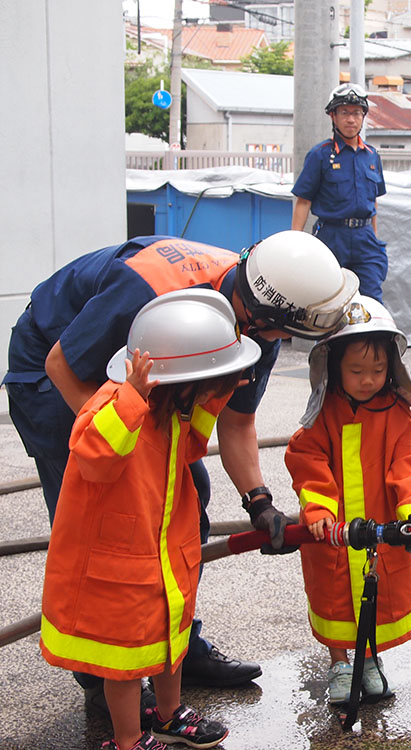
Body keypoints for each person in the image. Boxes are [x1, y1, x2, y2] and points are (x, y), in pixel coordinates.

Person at [4, 231, 358, 706]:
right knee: (104, 523)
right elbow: (63, 364)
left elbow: (238, 424)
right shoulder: (148, 291)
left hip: (140, 386)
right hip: (56, 369)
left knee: (188, 506)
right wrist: (126, 459)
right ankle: (102, 674)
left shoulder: (256, 318)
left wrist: (260, 502)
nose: (284, 341)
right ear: (259, 314)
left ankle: (176, 645)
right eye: (285, 331)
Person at [40, 289, 262, 750]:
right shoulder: (112, 405)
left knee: (170, 642)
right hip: (120, 565)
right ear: (175, 377)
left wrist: (221, 389)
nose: (206, 390)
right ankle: (128, 739)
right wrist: (132, 396)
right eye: (204, 382)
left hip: (164, 555)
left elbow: (193, 445)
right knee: (123, 663)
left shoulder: (174, 412)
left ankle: (168, 714)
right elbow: (96, 457)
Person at [284, 296, 411, 705]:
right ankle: (338, 662)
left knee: (377, 593)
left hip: (381, 528)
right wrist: (318, 508)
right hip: (331, 532)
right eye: (356, 371)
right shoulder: (323, 414)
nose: (368, 379)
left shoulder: (396, 413)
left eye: (378, 370)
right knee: (333, 596)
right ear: (334, 366)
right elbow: (307, 457)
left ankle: (368, 658)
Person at [292, 83, 388, 301]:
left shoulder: (372, 156)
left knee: (372, 302)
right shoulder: (320, 155)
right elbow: (303, 201)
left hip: (365, 239)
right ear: (333, 116)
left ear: (364, 116)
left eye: (356, 113)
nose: (351, 120)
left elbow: (373, 202)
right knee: (329, 302)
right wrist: (296, 244)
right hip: (332, 236)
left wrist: (373, 235)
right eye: (344, 113)